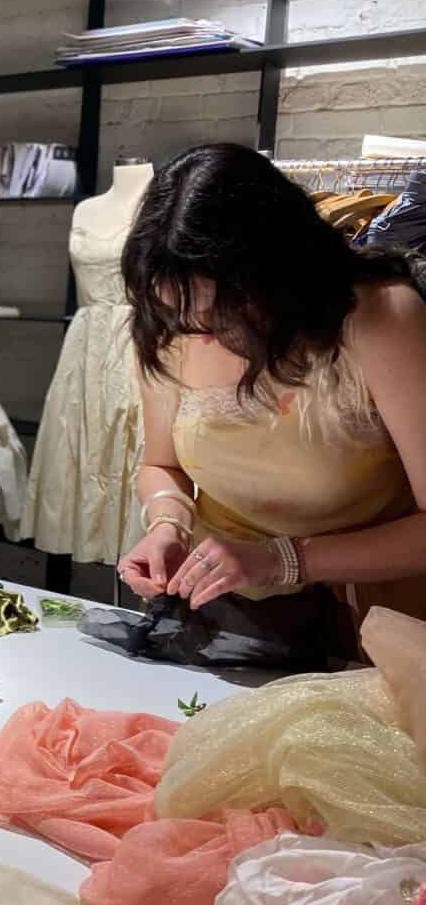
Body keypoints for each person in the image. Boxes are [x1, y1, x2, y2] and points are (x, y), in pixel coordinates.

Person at [116, 142, 426, 628]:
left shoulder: (379, 317)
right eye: (180, 313)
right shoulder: (171, 327)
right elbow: (162, 464)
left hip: (374, 609)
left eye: (220, 311)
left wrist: (284, 559)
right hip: (226, 602)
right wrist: (167, 523)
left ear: (279, 275)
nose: (200, 333)